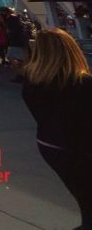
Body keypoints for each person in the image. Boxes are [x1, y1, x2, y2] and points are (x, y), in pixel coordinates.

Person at [21, 29, 92, 228]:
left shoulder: (32, 82)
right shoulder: (82, 84)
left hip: (50, 146)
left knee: (86, 202)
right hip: (79, 151)